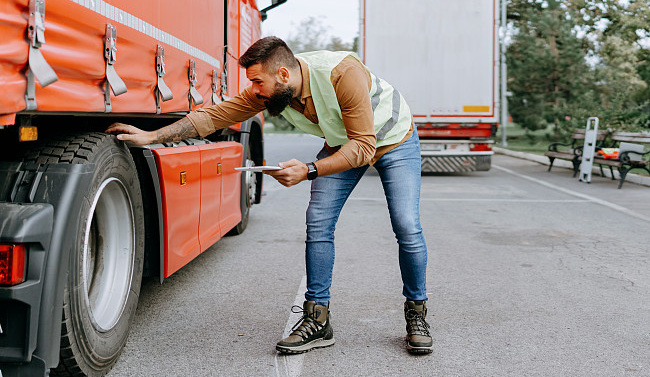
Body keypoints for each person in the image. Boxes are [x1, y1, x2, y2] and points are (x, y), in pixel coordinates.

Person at [106, 36, 432, 355]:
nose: (254, 90)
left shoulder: (342, 73)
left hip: (393, 140)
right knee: (318, 221)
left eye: (258, 82)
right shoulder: (270, 92)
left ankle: (416, 315)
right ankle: (318, 321)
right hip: (342, 142)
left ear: (284, 75)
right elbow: (213, 116)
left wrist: (308, 170)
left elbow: (364, 147)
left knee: (406, 224)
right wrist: (152, 136)